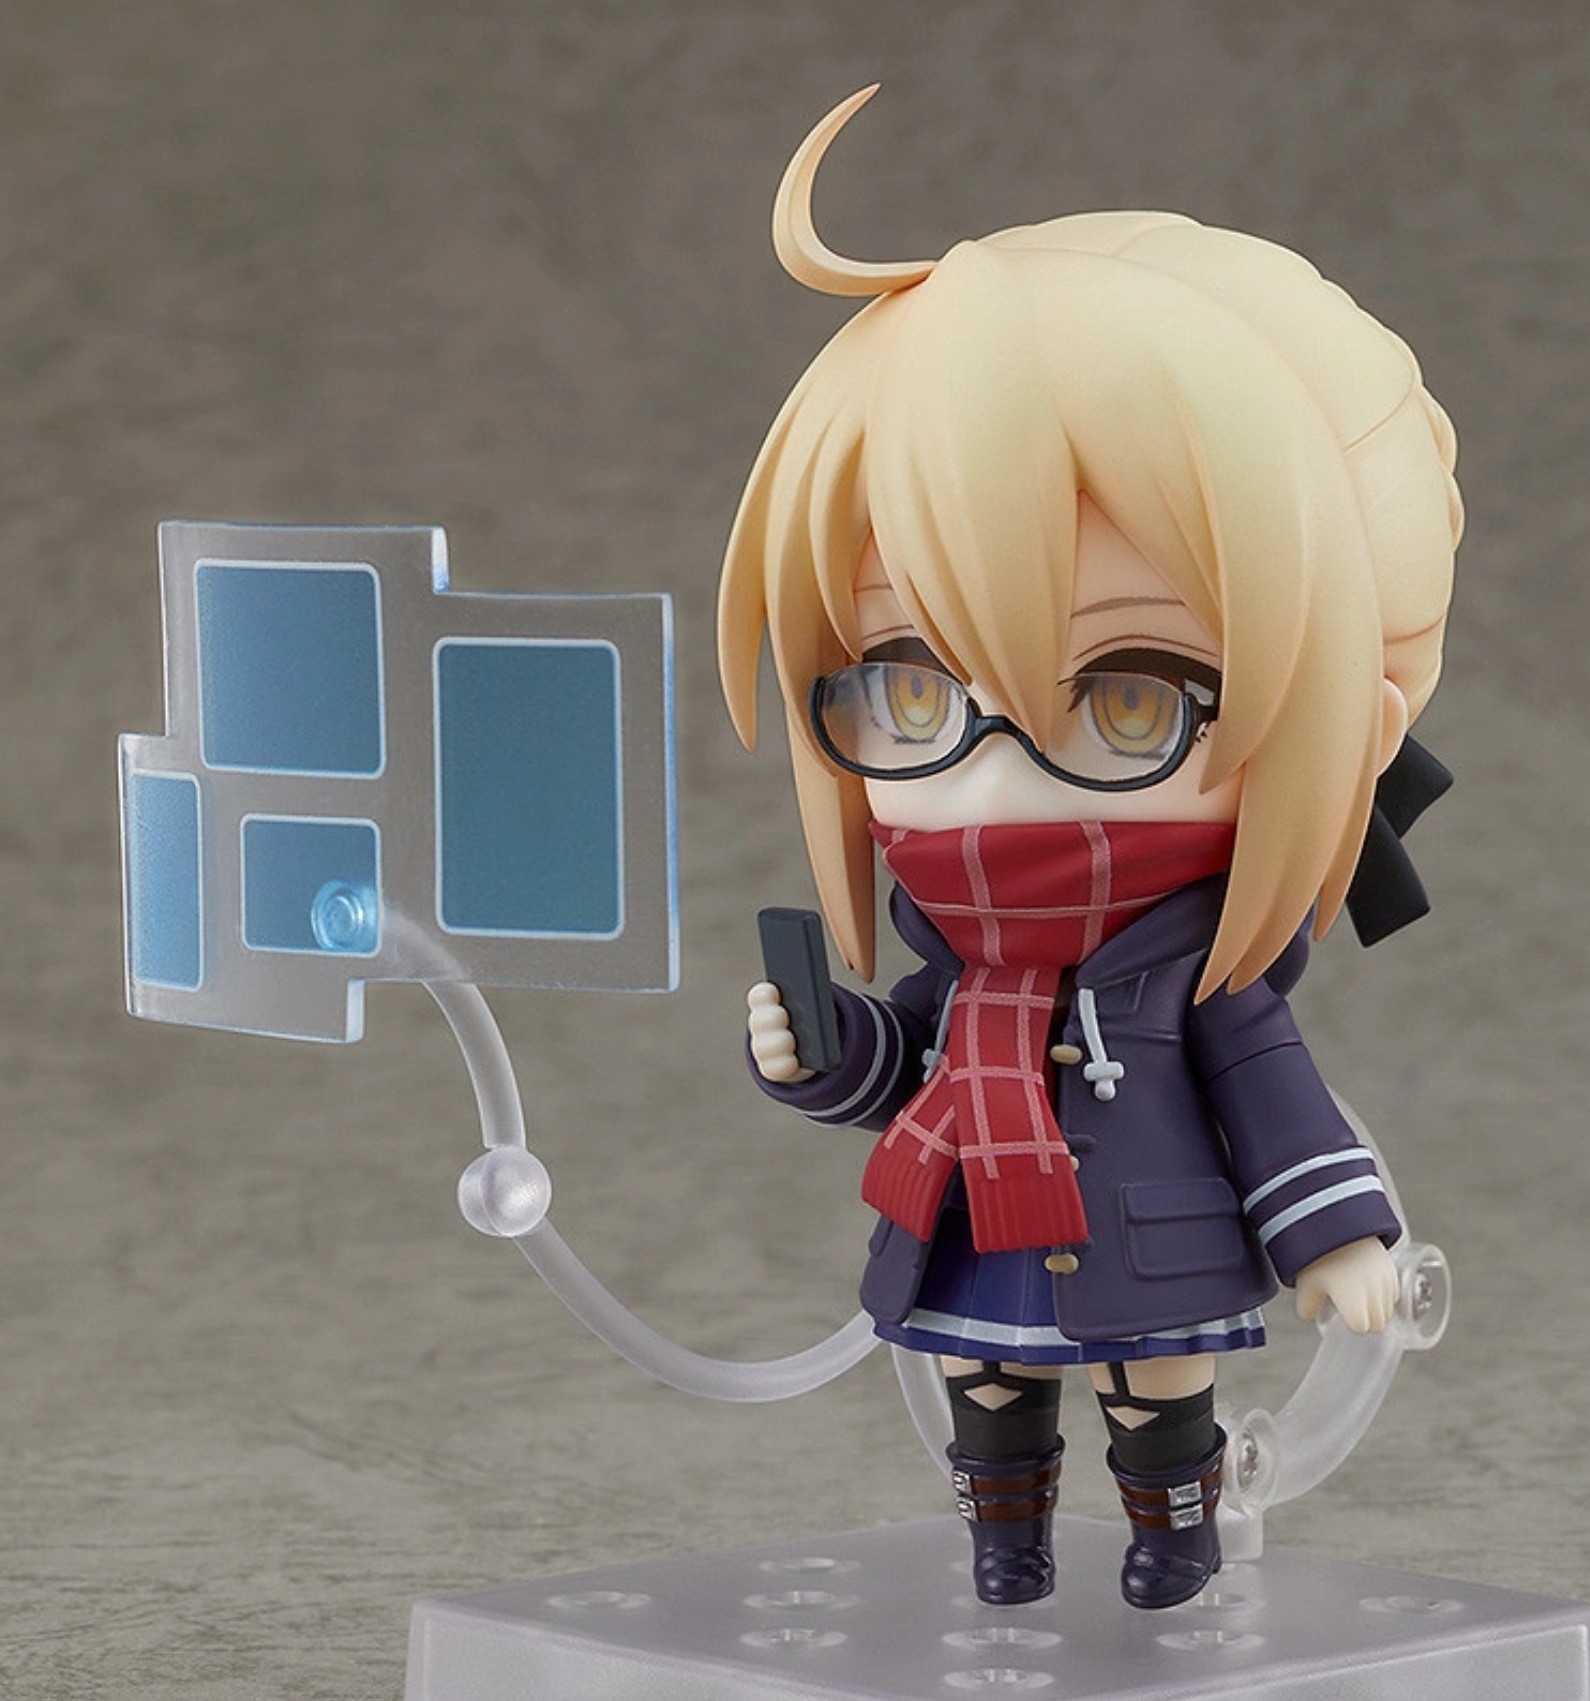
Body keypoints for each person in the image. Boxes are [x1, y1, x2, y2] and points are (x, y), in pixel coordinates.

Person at [719, 88, 1461, 1610]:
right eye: (908, 689)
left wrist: (1340, 1237)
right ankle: (1002, 1535)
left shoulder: (1195, 978)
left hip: (1150, 1245)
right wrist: (821, 1051)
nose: (986, 777)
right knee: (988, 1392)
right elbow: (908, 1061)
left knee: (1154, 1396)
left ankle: (1171, 1534)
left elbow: (1272, 1091)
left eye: (1129, 697)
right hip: (969, 1229)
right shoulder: (960, 957)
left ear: (1335, 716)